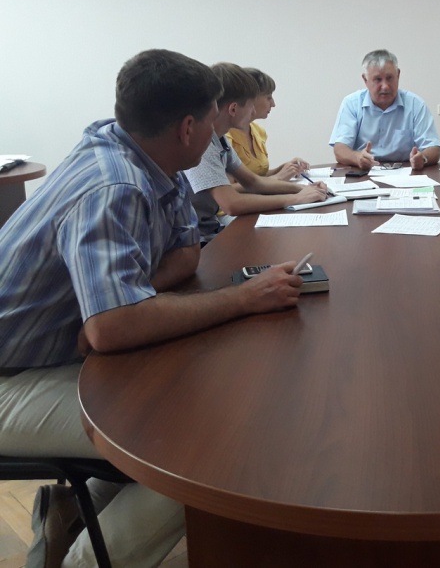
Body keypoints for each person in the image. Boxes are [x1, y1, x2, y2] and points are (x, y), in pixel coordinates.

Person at [0, 49, 314, 567]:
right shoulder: (115, 185)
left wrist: (118, 307)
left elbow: (186, 256)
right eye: (212, 119)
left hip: (50, 354)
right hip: (11, 378)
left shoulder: (145, 154)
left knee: (187, 395)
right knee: (199, 450)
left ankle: (71, 512)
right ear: (188, 128)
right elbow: (112, 329)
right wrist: (240, 298)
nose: (218, 130)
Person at [185, 63, 327, 243]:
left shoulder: (220, 140)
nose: (253, 112)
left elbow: (253, 182)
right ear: (233, 109)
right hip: (196, 240)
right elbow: (231, 204)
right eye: (251, 105)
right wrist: (295, 199)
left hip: (209, 230)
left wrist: (303, 189)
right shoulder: (203, 144)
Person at [329, 49, 440, 170]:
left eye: (389, 78)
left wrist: (422, 159)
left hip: (405, 172)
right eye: (378, 79)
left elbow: (433, 148)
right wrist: (357, 158)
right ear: (365, 80)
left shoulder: (415, 104)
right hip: (363, 171)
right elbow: (340, 149)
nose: (385, 86)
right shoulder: (352, 103)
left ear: (398, 75)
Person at [225, 67, 309, 181]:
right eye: (268, 97)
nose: (273, 104)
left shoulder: (258, 131)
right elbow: (230, 187)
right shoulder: (225, 136)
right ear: (251, 98)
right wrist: (277, 178)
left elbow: (257, 176)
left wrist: (286, 169)